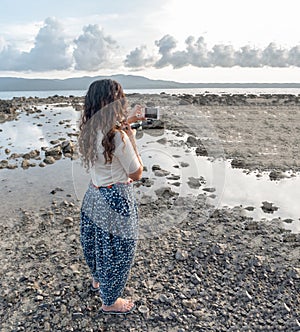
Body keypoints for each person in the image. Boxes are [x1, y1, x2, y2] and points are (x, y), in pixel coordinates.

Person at [78, 79, 144, 314]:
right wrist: (132, 139)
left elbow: (108, 136)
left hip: (94, 195)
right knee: (119, 251)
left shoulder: (88, 130)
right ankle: (110, 302)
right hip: (116, 198)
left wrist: (129, 123)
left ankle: (97, 280)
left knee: (96, 242)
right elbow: (136, 173)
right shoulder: (118, 138)